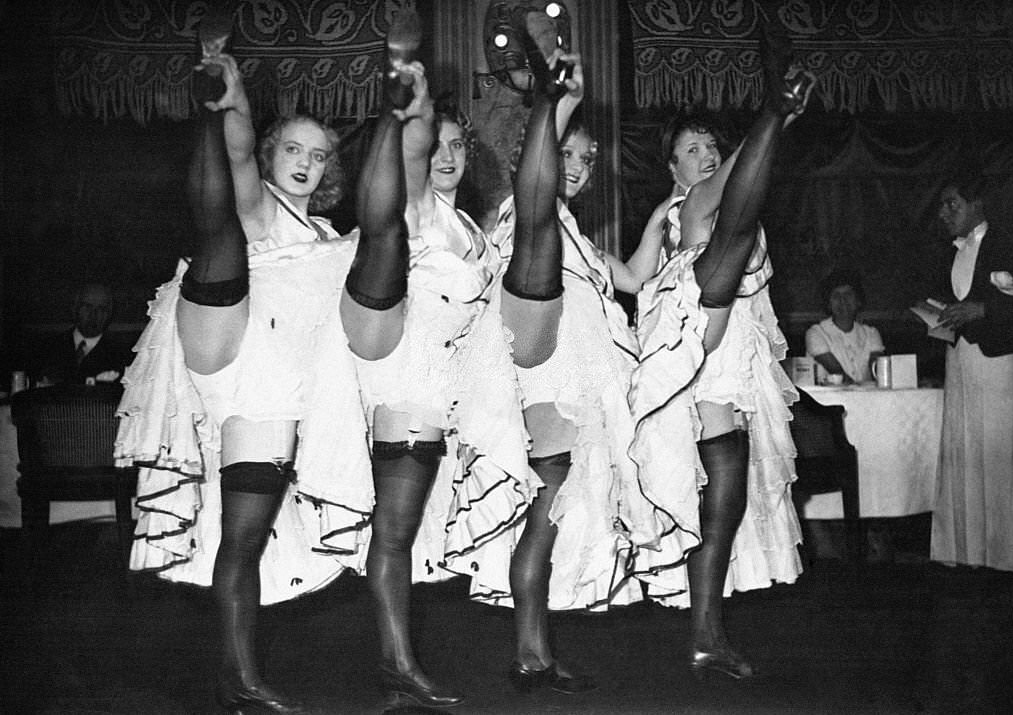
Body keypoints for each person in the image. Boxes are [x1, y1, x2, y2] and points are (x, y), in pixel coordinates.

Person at [115, 11, 421, 712]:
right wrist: (230, 98)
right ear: (275, 151)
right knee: (221, 232)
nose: (306, 162)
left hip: (271, 389)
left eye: (318, 154)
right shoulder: (262, 206)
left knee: (243, 534)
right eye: (294, 148)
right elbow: (242, 157)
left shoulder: (324, 234)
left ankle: (237, 672)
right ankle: (209, 94)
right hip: (221, 337)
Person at [453, 12, 663, 695]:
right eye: (567, 155)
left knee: (546, 515)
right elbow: (534, 198)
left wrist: (663, 216)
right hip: (535, 352)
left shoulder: (582, 239)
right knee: (542, 513)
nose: (578, 168)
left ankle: (535, 649)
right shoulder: (527, 213)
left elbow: (629, 277)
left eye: (587, 160)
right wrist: (560, 96)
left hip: (571, 372)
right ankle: (528, 648)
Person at [347, 33, 533, 707]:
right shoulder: (418, 206)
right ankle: (396, 666)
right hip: (408, 382)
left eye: (460, 146)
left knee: (405, 532)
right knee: (394, 532)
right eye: (440, 146)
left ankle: (398, 667)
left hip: (447, 388)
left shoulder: (468, 226)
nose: (448, 157)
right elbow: (414, 151)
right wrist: (415, 103)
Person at [629, 27, 814, 680]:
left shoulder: (720, 197)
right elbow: (640, 275)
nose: (705, 155)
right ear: (672, 166)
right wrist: (775, 116)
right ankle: (704, 628)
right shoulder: (689, 204)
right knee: (716, 496)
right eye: (692, 148)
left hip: (729, 344)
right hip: (694, 332)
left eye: (711, 146)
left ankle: (706, 629)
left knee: (726, 502)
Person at [929, 171, 1013, 573]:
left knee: (1000, 454)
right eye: (943, 205)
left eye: (953, 204)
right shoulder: (947, 250)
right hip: (959, 360)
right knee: (963, 451)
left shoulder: (1010, 243)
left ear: (977, 205)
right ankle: (967, 551)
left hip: (999, 361)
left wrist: (984, 309)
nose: (944, 213)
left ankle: (1006, 554)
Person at [32, 282, 132, 386]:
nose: (94, 314)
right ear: (75, 308)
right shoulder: (48, 348)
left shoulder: (121, 356)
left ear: (110, 313)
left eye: (101, 309)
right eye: (87, 307)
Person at [804, 269, 885, 384]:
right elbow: (838, 373)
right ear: (828, 303)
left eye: (848, 295)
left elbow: (878, 372)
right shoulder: (816, 333)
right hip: (828, 400)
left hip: (867, 397)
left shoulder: (871, 333)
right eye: (836, 296)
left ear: (858, 301)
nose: (843, 301)